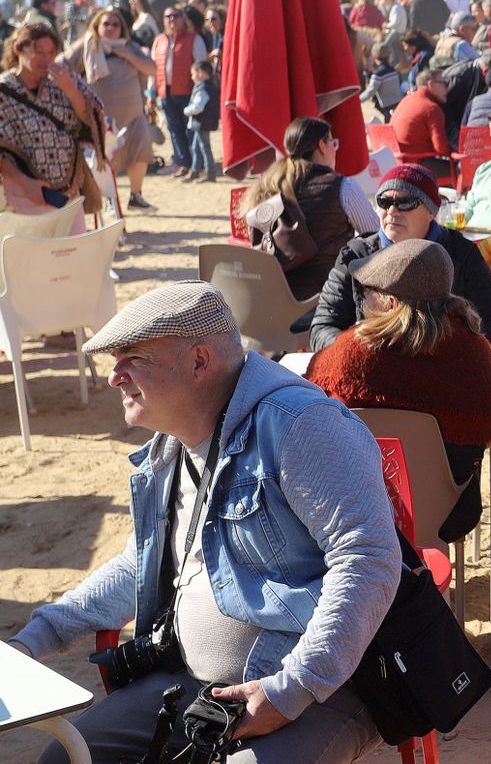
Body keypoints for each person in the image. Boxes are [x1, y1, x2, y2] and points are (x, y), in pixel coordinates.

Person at [8, 281, 401, 763]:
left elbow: (369, 559)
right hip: (196, 688)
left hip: (318, 689)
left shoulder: (301, 425)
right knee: (64, 759)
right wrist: (33, 640)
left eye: (134, 358)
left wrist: (290, 691)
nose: (115, 377)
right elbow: (142, 564)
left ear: (199, 361)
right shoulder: (173, 444)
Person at [305, 239, 491, 544]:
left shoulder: (352, 353)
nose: (363, 303)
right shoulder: (472, 350)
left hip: (359, 507)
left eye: (367, 294)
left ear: (390, 302)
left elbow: (314, 402)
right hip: (449, 510)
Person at [310, 164, 491, 350]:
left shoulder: (462, 253)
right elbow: (322, 329)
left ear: (431, 212)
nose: (392, 211)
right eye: (384, 202)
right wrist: (360, 351)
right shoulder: (355, 255)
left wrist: (432, 353)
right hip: (373, 370)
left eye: (406, 203)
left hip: (439, 371)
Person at [240, 116, 379, 300]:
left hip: (275, 302)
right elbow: (375, 239)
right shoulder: (343, 187)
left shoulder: (269, 186)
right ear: (322, 145)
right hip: (328, 301)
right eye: (333, 143)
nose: (335, 150)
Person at [0, 21, 105, 219]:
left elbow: (91, 116)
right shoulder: (4, 91)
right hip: (22, 193)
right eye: (39, 52)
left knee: (72, 248)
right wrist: (25, 182)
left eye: (51, 53)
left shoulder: (64, 78)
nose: (46, 60)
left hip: (69, 188)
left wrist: (70, 90)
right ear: (19, 49)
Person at [62, 6, 158, 208]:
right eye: (106, 24)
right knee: (102, 162)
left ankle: (136, 195)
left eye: (115, 24)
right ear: (97, 26)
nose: (111, 28)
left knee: (140, 155)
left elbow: (151, 69)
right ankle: (108, 199)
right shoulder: (86, 46)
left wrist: (127, 55)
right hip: (99, 120)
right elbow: (60, 67)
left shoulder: (129, 46)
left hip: (133, 116)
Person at [151, 3, 205, 178]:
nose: (172, 19)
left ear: (183, 19)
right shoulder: (159, 40)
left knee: (190, 129)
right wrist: (150, 92)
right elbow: (153, 68)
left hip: (188, 92)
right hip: (165, 91)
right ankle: (182, 162)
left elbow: (202, 65)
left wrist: (201, 89)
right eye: (168, 16)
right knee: (174, 129)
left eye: (175, 15)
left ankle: (195, 164)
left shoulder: (194, 39)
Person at [389, 67, 453, 177]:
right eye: (445, 84)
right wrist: (457, 151)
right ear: (431, 84)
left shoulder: (406, 100)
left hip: (396, 162)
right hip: (417, 166)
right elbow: (441, 148)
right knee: (462, 170)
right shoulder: (432, 108)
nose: (448, 89)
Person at [181, 59, 219, 182]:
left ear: (201, 73)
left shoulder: (203, 88)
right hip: (201, 123)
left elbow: (198, 107)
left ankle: (210, 173)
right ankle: (195, 171)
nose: (191, 77)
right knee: (196, 148)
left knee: (204, 148)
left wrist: (186, 111)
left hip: (202, 123)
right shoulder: (208, 86)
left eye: (193, 74)